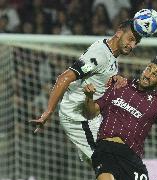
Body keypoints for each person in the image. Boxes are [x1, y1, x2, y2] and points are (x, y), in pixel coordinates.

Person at [30, 19, 142, 162]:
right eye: (131, 39)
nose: (132, 45)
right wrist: (48, 112)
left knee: (108, 166)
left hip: (91, 115)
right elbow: (64, 78)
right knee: (111, 164)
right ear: (119, 32)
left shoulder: (110, 51)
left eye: (135, 43)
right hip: (78, 117)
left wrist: (114, 78)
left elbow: (97, 74)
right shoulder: (100, 56)